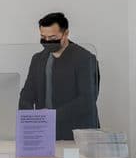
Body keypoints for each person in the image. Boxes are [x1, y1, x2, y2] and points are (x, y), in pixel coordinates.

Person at [19, 12, 100, 140]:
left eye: (52, 38)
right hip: (44, 133)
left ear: (65, 34)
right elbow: (27, 94)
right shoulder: (38, 59)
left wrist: (52, 116)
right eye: (43, 37)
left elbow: (87, 100)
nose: (47, 41)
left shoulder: (85, 59)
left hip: (76, 135)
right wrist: (30, 119)